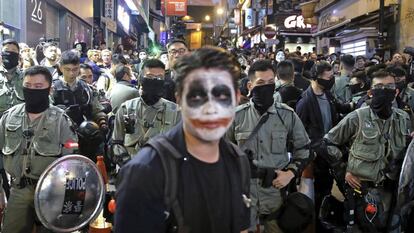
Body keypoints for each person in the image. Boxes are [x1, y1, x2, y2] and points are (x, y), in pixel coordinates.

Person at [115, 46, 250, 233]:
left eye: (221, 95)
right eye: (197, 96)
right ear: (179, 99)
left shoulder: (238, 161)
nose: (210, 108)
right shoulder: (145, 171)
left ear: (236, 98)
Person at [227, 59, 310, 233]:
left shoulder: (287, 115)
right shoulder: (236, 117)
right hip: (243, 197)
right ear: (250, 85)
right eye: (261, 83)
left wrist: (290, 173)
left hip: (275, 197)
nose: (267, 86)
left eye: (271, 82)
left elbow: (304, 149)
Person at [323, 70, 410, 232]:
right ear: (370, 93)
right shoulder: (357, 117)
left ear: (396, 91)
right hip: (362, 192)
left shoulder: (403, 118)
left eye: (389, 86)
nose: (384, 90)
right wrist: (344, 171)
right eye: (379, 87)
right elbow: (327, 143)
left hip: (392, 193)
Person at [0, 66, 78, 233]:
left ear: (49, 90)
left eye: (38, 87)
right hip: (18, 191)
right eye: (28, 85)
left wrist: (68, 202)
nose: (31, 90)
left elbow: (73, 159)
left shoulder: (61, 121)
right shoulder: (9, 117)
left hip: (51, 193)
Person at [296, 61, 353, 233]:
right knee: (318, 190)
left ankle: (324, 218)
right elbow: (298, 131)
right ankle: (315, 224)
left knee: (328, 187)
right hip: (317, 154)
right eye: (328, 77)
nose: (331, 79)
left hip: (331, 150)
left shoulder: (328, 95)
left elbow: (338, 111)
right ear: (317, 77)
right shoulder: (305, 101)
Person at [111, 58, 180, 163]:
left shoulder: (176, 112)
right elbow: (116, 142)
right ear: (141, 78)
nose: (154, 81)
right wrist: (127, 163)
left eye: (159, 78)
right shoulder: (126, 108)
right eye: (150, 77)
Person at [51, 50, 107, 130]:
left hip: (84, 132)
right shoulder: (53, 89)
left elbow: (96, 110)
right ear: (60, 68)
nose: (71, 73)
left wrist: (102, 120)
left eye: (75, 69)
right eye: (67, 69)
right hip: (60, 133)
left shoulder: (87, 89)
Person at [0, 39, 24, 116]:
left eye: (13, 50)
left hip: (19, 123)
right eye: (6, 50)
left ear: (18, 55)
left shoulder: (26, 77)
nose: (10, 53)